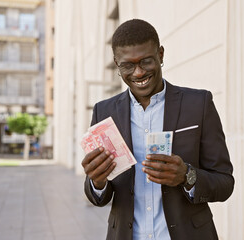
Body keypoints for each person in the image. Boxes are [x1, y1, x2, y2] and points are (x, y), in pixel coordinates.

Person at [82, 19, 234, 240]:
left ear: (161, 55)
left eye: (146, 61)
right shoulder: (103, 112)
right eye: (128, 65)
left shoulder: (198, 104)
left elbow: (224, 183)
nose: (138, 72)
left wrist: (186, 176)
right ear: (117, 64)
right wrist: (96, 182)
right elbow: (98, 197)